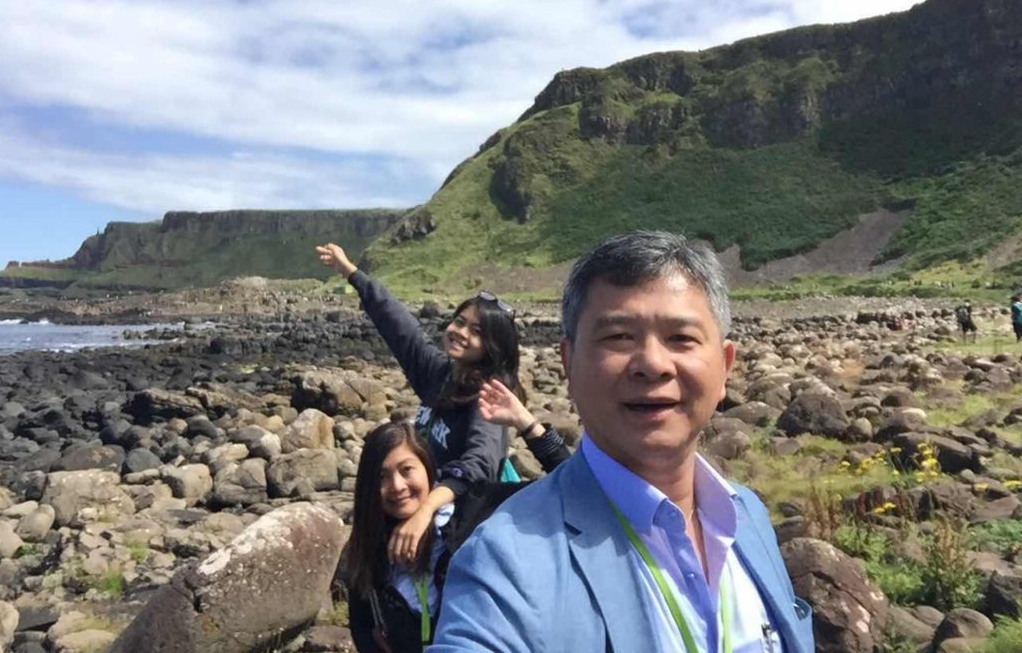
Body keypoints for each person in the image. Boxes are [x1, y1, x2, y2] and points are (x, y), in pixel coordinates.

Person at [431, 231, 815, 653]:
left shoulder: (748, 517)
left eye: (680, 338)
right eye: (618, 337)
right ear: (568, 363)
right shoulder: (504, 564)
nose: (652, 363)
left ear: (724, 367)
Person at [315, 242, 522, 564]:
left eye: (477, 331)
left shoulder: (487, 396)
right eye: (459, 321)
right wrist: (350, 271)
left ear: (493, 347)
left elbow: (480, 464)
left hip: (466, 525)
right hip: (428, 501)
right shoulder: (440, 373)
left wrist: (428, 508)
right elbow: (398, 325)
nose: (461, 332)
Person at [347, 387, 570, 653]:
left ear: (428, 468)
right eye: (382, 477)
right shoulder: (368, 549)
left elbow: (570, 487)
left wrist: (526, 423)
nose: (396, 486)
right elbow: (363, 630)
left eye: (407, 470)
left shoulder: (474, 510)